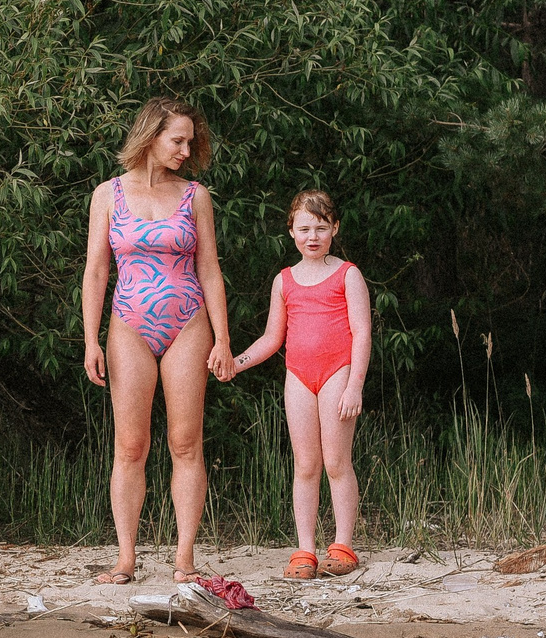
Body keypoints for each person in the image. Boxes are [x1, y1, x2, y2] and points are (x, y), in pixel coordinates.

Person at [81, 98, 235, 585]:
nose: (186, 151)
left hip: (188, 323)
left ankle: (184, 558)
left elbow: (210, 269)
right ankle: (125, 559)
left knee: (185, 442)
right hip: (129, 324)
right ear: (150, 136)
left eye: (191, 141)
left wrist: (223, 339)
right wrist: (90, 340)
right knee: (130, 445)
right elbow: (96, 270)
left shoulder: (195, 196)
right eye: (178, 140)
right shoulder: (107, 195)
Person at [224, 190, 371, 579]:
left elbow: (362, 332)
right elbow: (272, 338)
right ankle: (305, 550)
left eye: (321, 228)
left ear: (334, 228)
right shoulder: (284, 280)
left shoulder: (348, 274)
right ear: (291, 231)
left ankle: (342, 546)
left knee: (336, 461)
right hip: (299, 377)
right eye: (304, 229)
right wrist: (236, 364)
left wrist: (354, 385)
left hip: (338, 372)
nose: (313, 237)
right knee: (305, 464)